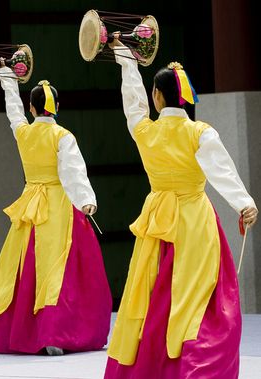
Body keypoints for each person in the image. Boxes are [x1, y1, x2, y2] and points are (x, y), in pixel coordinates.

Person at [104, 39, 258, 378]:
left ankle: (151, 364)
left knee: (151, 292)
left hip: (157, 219)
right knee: (196, 296)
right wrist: (244, 203)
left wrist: (126, 62)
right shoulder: (200, 133)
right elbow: (222, 172)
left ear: (157, 96)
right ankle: (193, 365)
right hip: (193, 221)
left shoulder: (145, 131)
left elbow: (133, 104)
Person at [0, 61, 112, 355]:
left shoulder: (24, 132)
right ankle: (54, 331)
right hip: (58, 206)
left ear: (32, 107)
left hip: (30, 204)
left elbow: (12, 111)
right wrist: (86, 200)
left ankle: (23, 329)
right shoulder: (63, 136)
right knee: (58, 266)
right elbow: (74, 171)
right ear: (56, 106)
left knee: (22, 265)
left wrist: (6, 76)